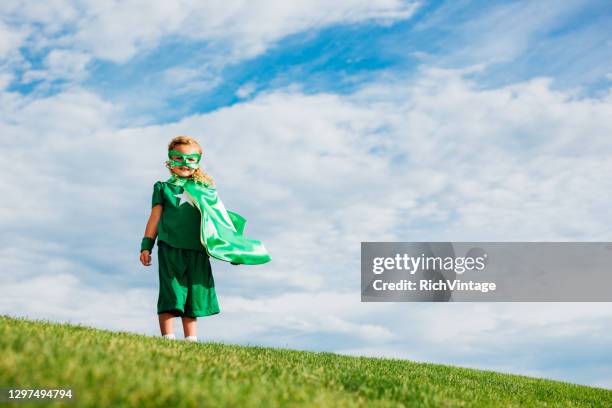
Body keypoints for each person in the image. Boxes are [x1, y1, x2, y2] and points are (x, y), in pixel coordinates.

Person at [139, 135, 271, 342]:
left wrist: (233, 249)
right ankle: (168, 337)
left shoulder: (205, 191)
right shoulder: (162, 188)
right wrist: (146, 245)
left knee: (194, 294)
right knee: (171, 290)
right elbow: (154, 217)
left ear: (198, 162)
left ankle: (191, 340)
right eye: (179, 158)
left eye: (190, 159)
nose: (184, 163)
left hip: (198, 249)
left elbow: (221, 220)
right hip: (170, 246)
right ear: (169, 161)